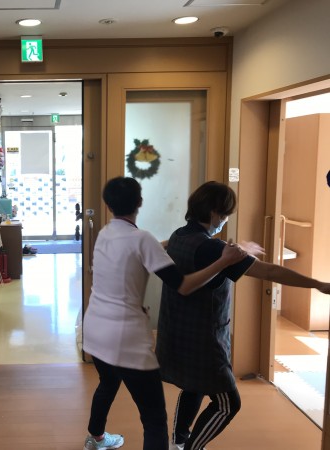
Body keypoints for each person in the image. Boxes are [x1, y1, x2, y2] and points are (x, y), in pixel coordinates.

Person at [156, 181, 330, 450]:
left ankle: (178, 441)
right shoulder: (213, 250)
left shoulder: (178, 236)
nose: (225, 221)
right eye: (225, 215)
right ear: (214, 213)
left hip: (177, 332)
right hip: (204, 341)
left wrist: (241, 251)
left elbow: (205, 255)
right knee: (228, 404)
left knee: (193, 385)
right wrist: (316, 284)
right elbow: (270, 272)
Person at [82, 177, 247, 450]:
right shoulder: (142, 239)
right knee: (154, 419)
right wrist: (223, 261)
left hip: (95, 328)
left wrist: (176, 240)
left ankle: (95, 438)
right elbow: (183, 285)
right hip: (125, 338)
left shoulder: (105, 233)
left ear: (108, 205)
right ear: (139, 202)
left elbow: (138, 256)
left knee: (108, 383)